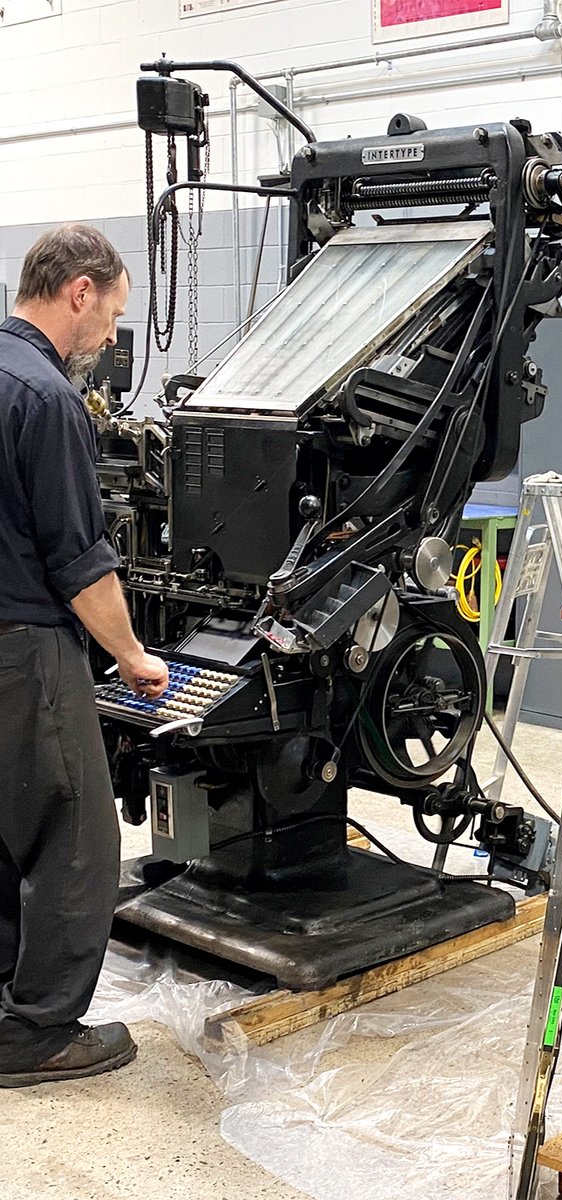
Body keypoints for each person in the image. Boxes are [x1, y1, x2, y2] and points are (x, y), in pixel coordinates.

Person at [0, 224, 169, 1086]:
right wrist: (134, 655)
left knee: (3, 825)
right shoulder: (46, 396)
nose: (111, 335)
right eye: (112, 313)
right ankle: (35, 1035)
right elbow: (79, 563)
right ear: (79, 291)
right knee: (75, 842)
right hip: (25, 650)